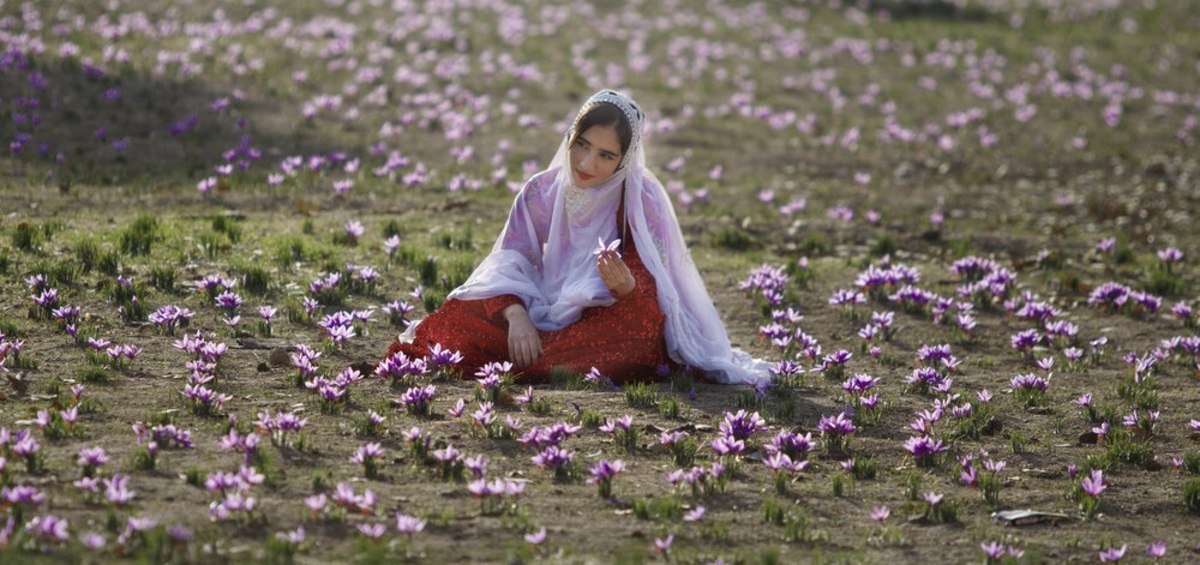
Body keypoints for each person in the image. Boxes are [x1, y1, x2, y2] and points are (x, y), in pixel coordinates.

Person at [380, 89, 764, 385]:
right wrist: (515, 315)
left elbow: (655, 294)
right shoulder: (542, 190)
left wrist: (629, 286)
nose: (585, 164)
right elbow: (510, 258)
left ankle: (537, 360)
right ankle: (535, 354)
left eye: (605, 155)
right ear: (570, 134)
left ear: (624, 160)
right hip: (542, 305)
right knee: (457, 319)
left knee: (635, 340)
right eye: (581, 144)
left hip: (605, 318)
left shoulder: (639, 199)